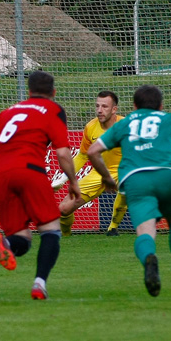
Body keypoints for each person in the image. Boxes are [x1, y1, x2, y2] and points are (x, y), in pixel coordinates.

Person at [88, 84, 171, 297]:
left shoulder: (124, 123)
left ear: (135, 106)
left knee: (145, 232)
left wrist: (107, 178)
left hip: (136, 180)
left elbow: (93, 151)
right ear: (161, 105)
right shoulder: (169, 118)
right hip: (166, 176)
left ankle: (149, 257)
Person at [0, 70, 81, 300]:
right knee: (51, 230)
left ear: (29, 91)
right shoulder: (53, 110)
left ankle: (4, 242)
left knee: (22, 240)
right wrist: (73, 182)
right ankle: (39, 283)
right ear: (53, 93)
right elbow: (63, 152)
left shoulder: (9, 111)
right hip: (29, 171)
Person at [52, 90, 129, 236]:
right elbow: (82, 156)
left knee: (126, 187)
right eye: (97, 106)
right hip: (99, 173)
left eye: (105, 107)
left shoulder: (126, 126)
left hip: (125, 170)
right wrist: (62, 179)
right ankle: (66, 238)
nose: (99, 110)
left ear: (114, 109)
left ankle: (113, 228)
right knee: (63, 209)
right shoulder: (90, 127)